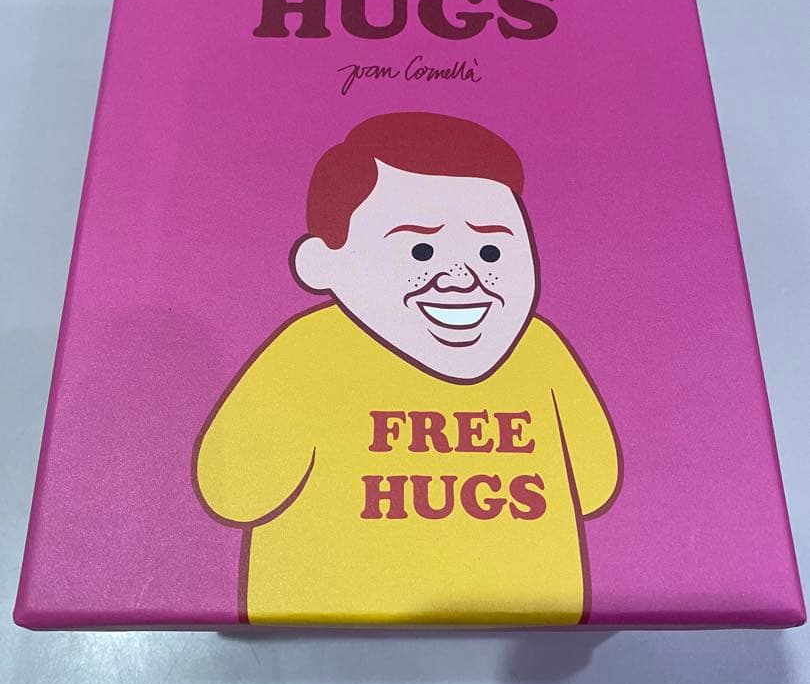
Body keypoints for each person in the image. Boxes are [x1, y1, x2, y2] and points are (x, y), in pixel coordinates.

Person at [195, 112, 620, 624]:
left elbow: (596, 484)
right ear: (322, 264)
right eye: (421, 249)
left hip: (524, 628)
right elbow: (234, 492)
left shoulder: (541, 351)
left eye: (490, 250)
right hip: (334, 625)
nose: (461, 277)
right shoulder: (307, 351)